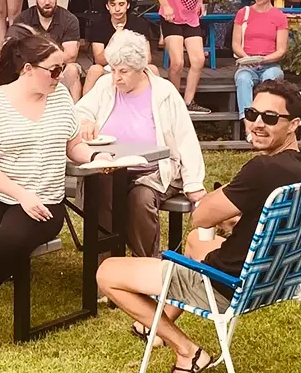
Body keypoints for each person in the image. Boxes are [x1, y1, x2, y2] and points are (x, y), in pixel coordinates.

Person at [97, 79, 301, 373]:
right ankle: (155, 324)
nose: (257, 123)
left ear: (293, 124)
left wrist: (227, 200)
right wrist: (235, 216)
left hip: (228, 284)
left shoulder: (262, 170)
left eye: (270, 118)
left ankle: (187, 352)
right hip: (279, 278)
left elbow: (201, 216)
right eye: (252, 113)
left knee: (107, 272)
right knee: (194, 243)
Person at [0, 26, 113, 355]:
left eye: (62, 69)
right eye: (54, 70)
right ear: (28, 70)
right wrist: (22, 194)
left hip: (45, 200)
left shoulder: (60, 97)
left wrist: (94, 156)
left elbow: (73, 144)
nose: (60, 77)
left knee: (10, 240)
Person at [76, 29, 205, 258]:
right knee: (99, 191)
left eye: (123, 71)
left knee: (141, 198)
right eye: (113, 70)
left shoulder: (164, 92)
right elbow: (79, 111)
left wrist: (194, 183)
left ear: (140, 68)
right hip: (110, 168)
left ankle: (145, 266)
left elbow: (186, 138)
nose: (117, 77)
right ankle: (105, 266)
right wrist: (85, 120)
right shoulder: (106, 85)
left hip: (153, 171)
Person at [150, 0, 221, 114]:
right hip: (172, 19)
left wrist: (199, 5)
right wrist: (165, 5)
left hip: (191, 20)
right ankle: (174, 100)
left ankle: (189, 102)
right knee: (177, 63)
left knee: (198, 60)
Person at [231, 0, 289, 139]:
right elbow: (235, 43)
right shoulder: (244, 13)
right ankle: (248, 126)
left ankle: (266, 123)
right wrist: (247, 58)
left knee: (271, 77)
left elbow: (281, 49)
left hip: (269, 63)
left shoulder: (278, 17)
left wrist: (263, 59)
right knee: (243, 79)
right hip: (247, 62)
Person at [9, 0, 82, 101]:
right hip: (32, 69)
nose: (47, 1)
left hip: (60, 70)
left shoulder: (70, 19)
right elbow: (16, 52)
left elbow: (70, 56)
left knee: (73, 69)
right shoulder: (23, 19)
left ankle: (75, 113)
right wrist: (42, 67)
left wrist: (45, 62)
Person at [83, 0, 156, 95]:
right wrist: (117, 38)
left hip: (133, 68)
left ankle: (157, 107)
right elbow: (99, 60)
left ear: (128, 5)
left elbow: (147, 58)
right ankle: (84, 108)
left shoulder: (140, 24)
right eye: (113, 4)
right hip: (108, 68)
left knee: (153, 69)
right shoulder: (99, 25)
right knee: (94, 70)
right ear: (107, 6)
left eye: (121, 4)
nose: (117, 9)